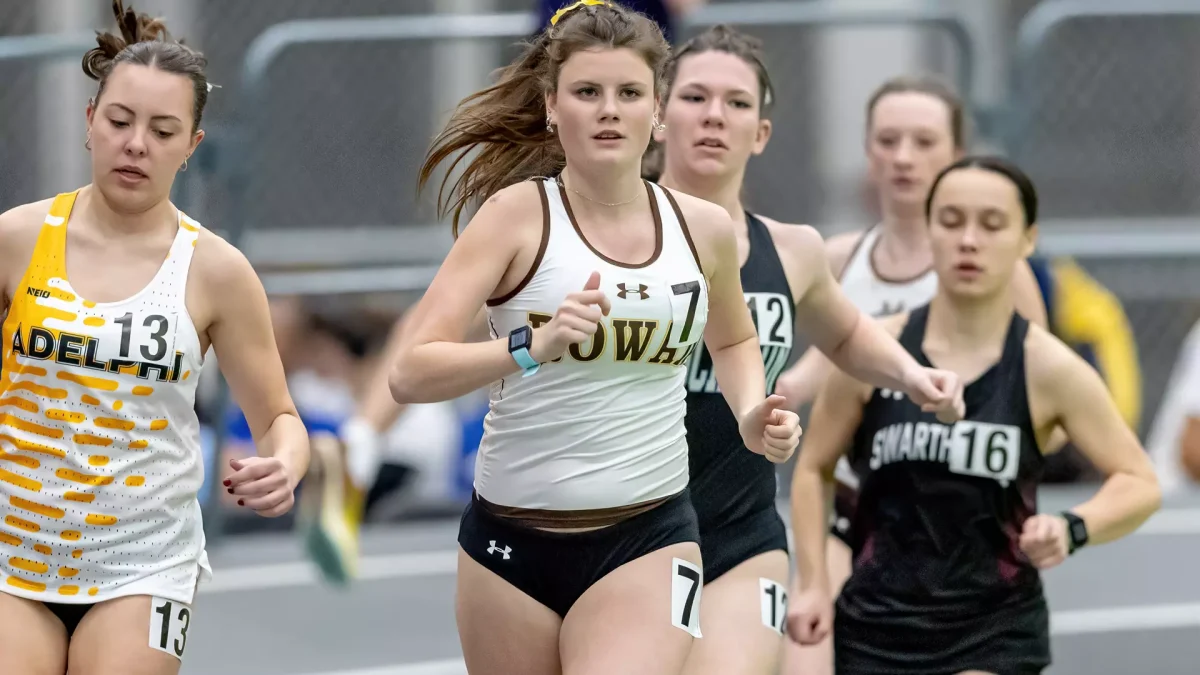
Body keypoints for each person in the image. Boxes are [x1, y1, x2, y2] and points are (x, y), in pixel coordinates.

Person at [392, 2, 958, 671]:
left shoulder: (714, 234)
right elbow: (410, 371)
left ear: (655, 114)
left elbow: (747, 340)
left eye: (630, 93)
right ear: (551, 106)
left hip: (656, 533)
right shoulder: (515, 217)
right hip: (512, 536)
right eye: (588, 92)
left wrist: (756, 410)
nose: (609, 109)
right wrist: (526, 348)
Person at [0, 2, 310, 673]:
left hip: (145, 563)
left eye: (162, 130)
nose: (136, 143)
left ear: (192, 145)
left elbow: (281, 417)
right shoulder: (16, 239)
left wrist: (283, 464)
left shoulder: (218, 271)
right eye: (119, 121)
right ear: (90, 124)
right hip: (12, 553)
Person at [648, 26, 967, 675]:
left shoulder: (791, 250)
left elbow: (845, 333)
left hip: (742, 534)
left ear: (760, 133)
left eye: (737, 103)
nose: (715, 115)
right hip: (628, 529)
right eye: (696, 97)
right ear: (657, 116)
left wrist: (914, 376)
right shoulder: (612, 234)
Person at [785, 156, 1162, 675]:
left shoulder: (1047, 368)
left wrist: (1074, 527)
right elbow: (813, 467)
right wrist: (811, 584)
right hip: (875, 626)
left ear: (1027, 240)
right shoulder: (877, 352)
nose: (969, 240)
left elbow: (1140, 481)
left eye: (991, 224)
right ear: (929, 228)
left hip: (994, 628)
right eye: (951, 220)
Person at [774, 75, 1051, 675]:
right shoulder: (839, 257)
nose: (903, 157)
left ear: (955, 152)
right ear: (869, 150)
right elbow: (841, 349)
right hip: (856, 500)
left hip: (956, 519)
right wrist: (782, 391)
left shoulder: (995, 269)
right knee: (804, 649)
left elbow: (1034, 392)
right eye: (888, 140)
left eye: (923, 141)